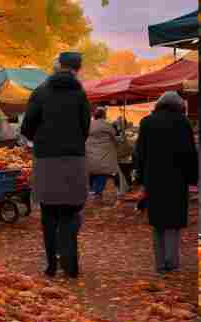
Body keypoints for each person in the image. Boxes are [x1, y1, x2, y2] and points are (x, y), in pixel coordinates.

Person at [21, 52, 91, 279]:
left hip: (46, 160)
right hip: (74, 159)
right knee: (70, 213)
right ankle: (71, 265)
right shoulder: (80, 94)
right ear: (77, 69)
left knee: (48, 214)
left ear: (57, 66)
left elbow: (27, 126)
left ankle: (51, 265)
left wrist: (40, 139)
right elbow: (85, 127)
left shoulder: (40, 92)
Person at [133, 91, 198, 274]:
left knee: (157, 222)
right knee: (174, 223)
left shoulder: (147, 122)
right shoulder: (183, 123)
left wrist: (140, 179)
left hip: (153, 177)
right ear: (179, 105)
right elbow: (190, 153)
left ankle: (160, 263)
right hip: (177, 178)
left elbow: (139, 152)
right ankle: (173, 262)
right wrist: (192, 178)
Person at [85, 107, 121, 202]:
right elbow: (114, 138)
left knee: (92, 170)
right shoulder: (108, 125)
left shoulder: (89, 125)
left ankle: (92, 190)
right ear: (104, 115)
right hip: (105, 153)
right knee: (102, 172)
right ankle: (98, 192)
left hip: (90, 152)